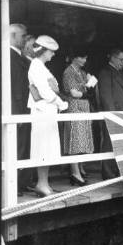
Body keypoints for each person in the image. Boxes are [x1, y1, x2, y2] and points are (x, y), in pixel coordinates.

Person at [27, 35, 68, 197]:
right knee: (43, 147)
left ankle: (44, 183)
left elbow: (54, 87)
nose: (53, 54)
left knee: (48, 147)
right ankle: (41, 184)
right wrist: (60, 103)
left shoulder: (41, 66)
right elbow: (45, 91)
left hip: (47, 112)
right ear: (44, 51)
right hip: (42, 111)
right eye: (51, 51)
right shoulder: (36, 66)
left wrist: (54, 92)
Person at [62, 46, 96, 186]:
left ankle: (79, 168)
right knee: (75, 140)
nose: (84, 60)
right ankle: (74, 172)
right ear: (74, 57)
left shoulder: (82, 72)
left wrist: (90, 84)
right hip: (75, 107)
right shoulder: (69, 72)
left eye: (86, 58)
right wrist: (87, 92)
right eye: (82, 57)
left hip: (83, 107)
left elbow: (87, 87)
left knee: (82, 139)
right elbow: (74, 93)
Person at [97, 48, 123, 180]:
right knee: (109, 143)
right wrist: (112, 114)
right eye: (121, 59)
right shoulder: (106, 72)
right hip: (114, 114)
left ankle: (117, 170)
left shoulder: (120, 73)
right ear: (112, 57)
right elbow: (106, 96)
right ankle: (108, 173)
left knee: (119, 143)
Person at [10, 24, 34, 195]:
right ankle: (15, 185)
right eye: (23, 36)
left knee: (24, 147)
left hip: (25, 109)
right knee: (17, 147)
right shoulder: (9, 57)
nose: (26, 39)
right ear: (13, 35)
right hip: (18, 110)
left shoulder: (22, 58)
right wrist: (16, 113)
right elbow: (12, 89)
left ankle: (23, 182)